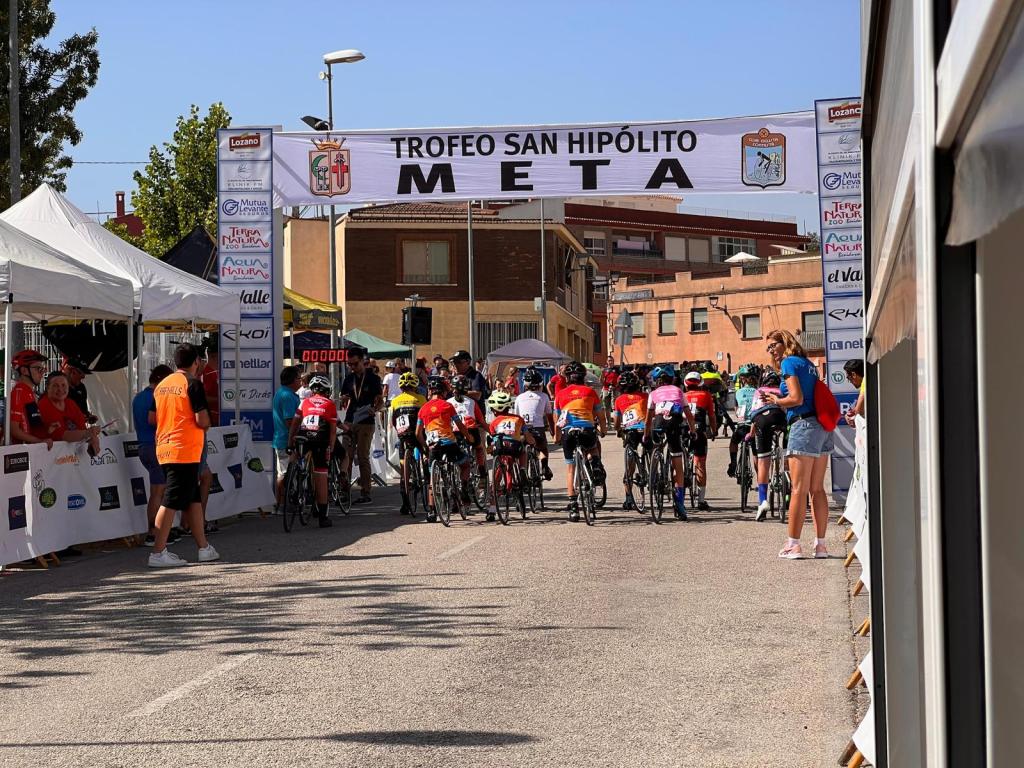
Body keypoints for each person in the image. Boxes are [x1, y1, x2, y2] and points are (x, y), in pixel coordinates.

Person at [764, 329, 833, 559]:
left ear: (785, 343)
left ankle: (793, 544)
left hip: (803, 425)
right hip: (821, 426)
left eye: (773, 345)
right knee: (817, 489)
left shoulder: (789, 363)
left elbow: (796, 398)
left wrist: (777, 400)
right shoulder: (808, 364)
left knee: (798, 489)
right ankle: (821, 545)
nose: (771, 350)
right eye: (768, 347)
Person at [148, 343, 218, 568]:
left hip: (165, 446)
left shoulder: (162, 385)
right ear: (196, 361)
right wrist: (203, 424)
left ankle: (203, 548)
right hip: (184, 449)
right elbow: (202, 420)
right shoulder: (193, 383)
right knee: (171, 500)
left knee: (193, 498)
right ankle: (158, 552)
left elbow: (152, 417)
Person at [553, 361, 606, 522]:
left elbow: (557, 419)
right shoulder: (590, 391)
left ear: (567, 378)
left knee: (571, 469)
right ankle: (595, 463)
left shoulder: (560, 394)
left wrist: (556, 437)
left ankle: (574, 507)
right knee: (592, 448)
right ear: (583, 377)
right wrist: (603, 430)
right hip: (586, 430)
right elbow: (601, 416)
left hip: (568, 432)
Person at [643, 366, 696, 519]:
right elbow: (688, 414)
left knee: (656, 446)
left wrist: (646, 436)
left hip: (658, 423)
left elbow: (648, 419)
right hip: (674, 423)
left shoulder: (653, 393)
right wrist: (693, 431)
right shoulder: (678, 391)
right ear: (672, 379)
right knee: (677, 462)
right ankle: (679, 502)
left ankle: (655, 473)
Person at [416, 375, 470, 522]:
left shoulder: (423, 409)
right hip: (449, 443)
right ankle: (464, 488)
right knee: (465, 464)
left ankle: (432, 511)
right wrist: (469, 437)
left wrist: (425, 447)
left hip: (433, 445)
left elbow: (417, 433)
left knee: (432, 479)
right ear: (444, 391)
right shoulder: (448, 406)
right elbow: (459, 425)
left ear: (430, 391)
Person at [287, 373, 337, 527]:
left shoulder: (304, 402)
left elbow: (294, 424)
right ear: (326, 391)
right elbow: (333, 431)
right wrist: (331, 448)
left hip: (303, 436)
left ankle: (292, 477)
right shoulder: (330, 404)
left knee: (296, 453)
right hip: (320, 438)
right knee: (321, 475)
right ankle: (323, 517)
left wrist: (289, 443)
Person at [135, 365, 175, 547]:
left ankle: (158, 530)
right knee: (158, 491)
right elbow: (157, 421)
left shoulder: (139, 397)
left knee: (159, 490)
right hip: (155, 446)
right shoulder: (156, 396)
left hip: (144, 446)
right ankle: (154, 533)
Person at [339, 347, 384, 505]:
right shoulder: (348, 379)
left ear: (363, 361)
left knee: (363, 456)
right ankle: (344, 491)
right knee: (346, 456)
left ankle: (366, 492)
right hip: (350, 420)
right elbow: (344, 397)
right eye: (349, 364)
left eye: (355, 364)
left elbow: (380, 401)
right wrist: (343, 399)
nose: (352, 367)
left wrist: (375, 409)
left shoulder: (373, 378)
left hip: (366, 421)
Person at [485, 389, 536, 521]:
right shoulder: (518, 419)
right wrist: (532, 442)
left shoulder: (494, 423)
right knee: (523, 450)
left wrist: (489, 450)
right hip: (515, 447)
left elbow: (491, 443)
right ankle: (523, 469)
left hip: (501, 449)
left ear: (494, 410)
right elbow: (529, 438)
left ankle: (492, 509)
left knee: (496, 477)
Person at [748, 369, 787, 521]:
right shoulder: (782, 390)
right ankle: (788, 481)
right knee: (787, 452)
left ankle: (763, 501)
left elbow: (753, 416)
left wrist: (751, 434)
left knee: (763, 461)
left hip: (762, 420)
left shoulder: (758, 391)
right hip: (780, 418)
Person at [390, 371, 427, 515]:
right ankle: (428, 476)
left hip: (403, 435)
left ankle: (405, 503)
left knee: (404, 469)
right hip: (417, 434)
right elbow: (425, 418)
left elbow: (393, 421)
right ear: (415, 386)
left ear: (401, 387)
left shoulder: (395, 401)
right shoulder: (421, 398)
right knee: (427, 454)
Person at [35, 372, 101, 451]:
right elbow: (63, 436)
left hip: (70, 453)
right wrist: (88, 433)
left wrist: (92, 438)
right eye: (55, 386)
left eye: (63, 385)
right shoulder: (44, 405)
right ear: (48, 388)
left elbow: (82, 428)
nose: (60, 389)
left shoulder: (70, 403)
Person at [612, 369, 648, 510]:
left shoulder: (619, 400)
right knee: (650, 449)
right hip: (645, 429)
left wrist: (618, 431)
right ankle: (653, 473)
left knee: (630, 462)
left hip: (631, 431)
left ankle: (628, 498)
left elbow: (616, 422)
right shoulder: (645, 396)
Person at [682, 371, 717, 511]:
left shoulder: (681, 395)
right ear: (700, 383)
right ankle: (701, 501)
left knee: (677, 461)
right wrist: (714, 430)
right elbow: (712, 416)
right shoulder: (706, 395)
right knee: (700, 463)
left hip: (683, 431)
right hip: (699, 431)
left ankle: (679, 498)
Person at [513, 367, 554, 481]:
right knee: (543, 448)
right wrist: (552, 431)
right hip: (538, 428)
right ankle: (544, 466)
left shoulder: (519, 398)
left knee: (522, 450)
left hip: (523, 429)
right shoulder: (544, 396)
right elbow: (549, 416)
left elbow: (516, 417)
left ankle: (522, 469)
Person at [272, 366, 303, 514]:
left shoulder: (283, 393)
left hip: (283, 439)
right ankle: (282, 505)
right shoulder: (287, 396)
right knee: (285, 474)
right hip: (286, 441)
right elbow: (290, 421)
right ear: (293, 380)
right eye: (299, 378)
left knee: (286, 473)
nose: (301, 381)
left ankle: (283, 504)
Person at [8, 349, 53, 448]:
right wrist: (39, 441)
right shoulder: (19, 391)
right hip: (23, 451)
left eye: (43, 369)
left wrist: (47, 430)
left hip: (31, 450)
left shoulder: (30, 392)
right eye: (38, 369)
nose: (42, 373)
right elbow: (14, 429)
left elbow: (31, 426)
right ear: (24, 371)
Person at [448, 374, 487, 483]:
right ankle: (481, 467)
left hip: (455, 432)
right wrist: (491, 431)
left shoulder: (448, 402)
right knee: (479, 448)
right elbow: (481, 421)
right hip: (471, 431)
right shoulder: (472, 402)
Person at [726, 366, 759, 478]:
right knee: (756, 453)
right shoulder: (758, 392)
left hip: (742, 426)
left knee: (733, 443)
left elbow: (736, 411)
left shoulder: (738, 392)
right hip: (754, 427)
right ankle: (760, 478)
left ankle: (733, 462)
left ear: (743, 379)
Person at [60, 357, 95, 422]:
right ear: (71, 371)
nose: (83, 376)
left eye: (84, 373)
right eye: (80, 373)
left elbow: (83, 410)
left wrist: (88, 416)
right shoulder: (58, 389)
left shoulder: (81, 387)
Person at [200, 344, 220, 427]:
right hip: (212, 417)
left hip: (218, 415)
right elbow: (204, 398)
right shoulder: (207, 373)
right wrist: (220, 400)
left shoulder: (216, 371)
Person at [844, 359, 866, 425]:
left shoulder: (865, 381)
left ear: (853, 374)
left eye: (848, 378)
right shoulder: (867, 379)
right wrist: (853, 412)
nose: (849, 382)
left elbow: (858, 411)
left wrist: (850, 417)